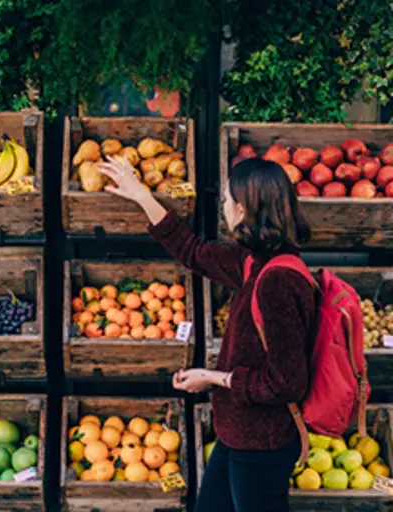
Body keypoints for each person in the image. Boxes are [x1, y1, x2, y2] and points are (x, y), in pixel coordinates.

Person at [100, 156, 315, 512]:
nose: (224, 208)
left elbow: (286, 383)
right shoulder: (254, 261)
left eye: (227, 201)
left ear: (243, 209)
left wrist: (213, 378)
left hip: (263, 443)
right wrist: (141, 196)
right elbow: (194, 253)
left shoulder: (278, 280)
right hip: (238, 434)